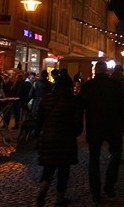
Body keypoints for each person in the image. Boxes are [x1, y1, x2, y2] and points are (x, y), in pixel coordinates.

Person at [78, 61, 124, 201]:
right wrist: (121, 121)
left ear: (96, 70)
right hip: (113, 125)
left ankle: (95, 191)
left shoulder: (88, 85)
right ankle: (109, 185)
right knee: (116, 153)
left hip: (95, 126)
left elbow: (81, 105)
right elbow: (123, 104)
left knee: (94, 159)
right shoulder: (115, 84)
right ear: (107, 70)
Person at [36, 72, 83, 207]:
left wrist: (42, 134)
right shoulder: (73, 101)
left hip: (47, 138)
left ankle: (43, 189)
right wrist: (73, 133)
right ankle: (60, 199)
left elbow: (39, 121)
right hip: (65, 139)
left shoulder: (46, 99)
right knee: (63, 169)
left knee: (48, 167)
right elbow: (78, 125)